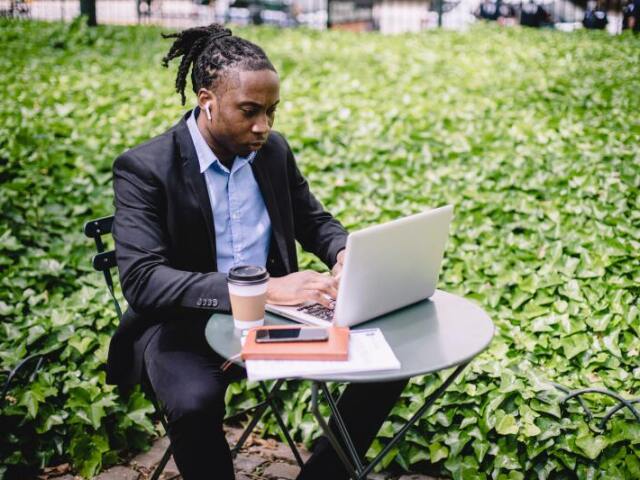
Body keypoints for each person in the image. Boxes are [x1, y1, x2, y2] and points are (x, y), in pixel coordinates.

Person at [107, 23, 408, 480]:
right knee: (193, 403)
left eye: (271, 111)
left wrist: (344, 253)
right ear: (206, 100)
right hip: (183, 324)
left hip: (277, 325)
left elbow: (313, 220)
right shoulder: (145, 168)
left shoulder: (271, 152)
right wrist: (264, 290)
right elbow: (144, 281)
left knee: (390, 358)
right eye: (250, 111)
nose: (263, 126)